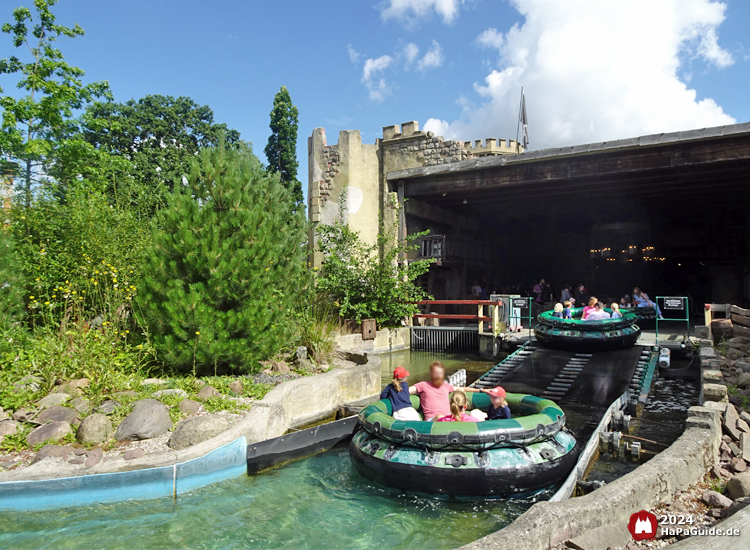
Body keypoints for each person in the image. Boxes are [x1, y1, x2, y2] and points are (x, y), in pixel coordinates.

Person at [410, 361, 482, 421]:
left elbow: (461, 388)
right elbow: (408, 390)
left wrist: (480, 390)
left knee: (475, 414)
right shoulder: (423, 385)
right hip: (432, 420)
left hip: (448, 419)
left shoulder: (446, 386)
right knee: (440, 417)